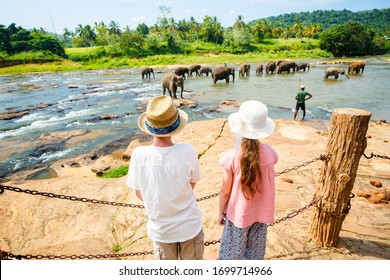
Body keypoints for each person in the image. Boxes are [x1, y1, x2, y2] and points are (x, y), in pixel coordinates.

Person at [126, 95, 204, 260]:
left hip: (161, 230)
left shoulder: (139, 154)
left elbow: (139, 193)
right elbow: (192, 184)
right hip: (189, 226)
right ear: (176, 125)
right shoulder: (188, 150)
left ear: (150, 126)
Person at [218, 100, 278, 260]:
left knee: (231, 256)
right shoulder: (271, 154)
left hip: (238, 215)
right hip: (261, 215)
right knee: (254, 256)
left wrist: (220, 212)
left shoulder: (231, 157)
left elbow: (225, 192)